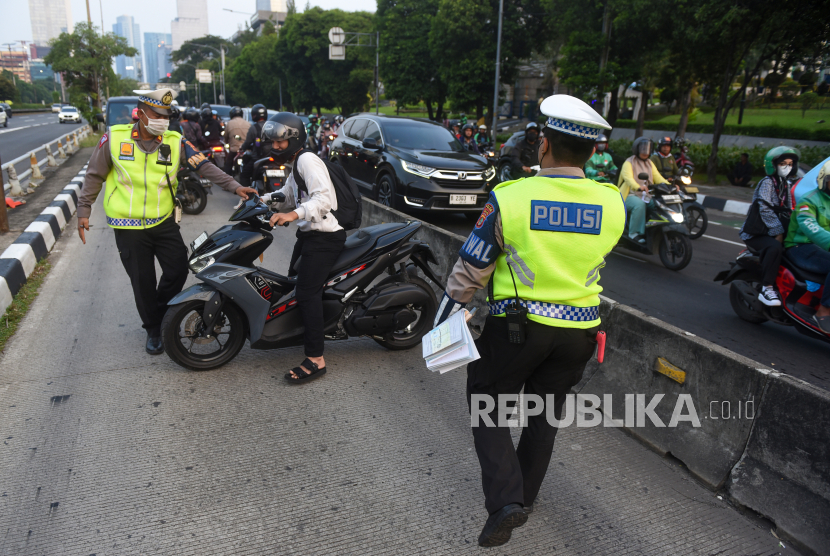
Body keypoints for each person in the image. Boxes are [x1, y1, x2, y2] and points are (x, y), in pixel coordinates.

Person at [433, 94, 625, 548]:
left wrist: (445, 319)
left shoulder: (512, 197)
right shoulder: (612, 202)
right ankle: (527, 497)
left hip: (518, 328)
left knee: (486, 399)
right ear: (593, 151)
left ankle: (505, 501)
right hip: (581, 329)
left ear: (542, 145)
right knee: (544, 414)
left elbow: (472, 268)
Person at [76, 89, 257, 355]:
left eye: (167, 115)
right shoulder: (114, 138)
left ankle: (160, 311)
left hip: (162, 221)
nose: (163, 120)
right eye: (158, 115)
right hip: (128, 226)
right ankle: (153, 328)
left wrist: (234, 186)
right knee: (143, 280)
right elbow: (94, 175)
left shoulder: (175, 141)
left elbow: (204, 166)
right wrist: (84, 209)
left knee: (178, 270)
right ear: (142, 112)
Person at [261, 113, 346, 384]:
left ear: (294, 139)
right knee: (293, 285)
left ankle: (316, 359)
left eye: (280, 143)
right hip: (309, 237)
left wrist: (292, 216)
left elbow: (325, 199)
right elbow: (286, 196)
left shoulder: (308, 160)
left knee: (307, 293)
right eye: (272, 142)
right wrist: (260, 201)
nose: (275, 147)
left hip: (325, 238)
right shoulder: (296, 163)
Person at [739, 146, 799, 306]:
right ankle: (767, 287)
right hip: (757, 232)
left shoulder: (785, 183)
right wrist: (778, 232)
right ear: (774, 165)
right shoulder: (767, 183)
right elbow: (764, 208)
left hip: (772, 229)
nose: (787, 167)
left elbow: (788, 209)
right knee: (774, 248)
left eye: (790, 163)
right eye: (783, 163)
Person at [785, 160, 830, 332]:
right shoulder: (809, 200)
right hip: (801, 246)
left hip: (821, 248)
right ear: (823, 179)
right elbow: (809, 226)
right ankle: (823, 312)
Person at [617, 137, 669, 243]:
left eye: (648, 149)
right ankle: (634, 233)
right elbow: (628, 179)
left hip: (645, 195)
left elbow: (658, 177)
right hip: (629, 195)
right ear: (637, 149)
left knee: (657, 204)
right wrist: (638, 187)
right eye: (643, 148)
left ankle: (651, 229)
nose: (645, 152)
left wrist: (670, 186)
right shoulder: (629, 162)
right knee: (639, 205)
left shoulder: (649, 163)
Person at [239, 104, 269, 187]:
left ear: (254, 115)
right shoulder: (272, 126)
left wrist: (242, 148)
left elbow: (247, 143)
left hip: (258, 159)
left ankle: (247, 195)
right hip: (273, 158)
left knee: (244, 175)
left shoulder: (254, 128)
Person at [222, 106, 251, 176]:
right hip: (246, 151)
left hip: (235, 150)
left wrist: (227, 142)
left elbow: (226, 137)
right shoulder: (248, 123)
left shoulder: (229, 123)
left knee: (228, 163)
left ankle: (227, 182)